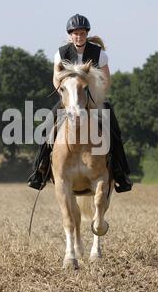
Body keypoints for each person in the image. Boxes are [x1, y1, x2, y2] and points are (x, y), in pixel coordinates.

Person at [27, 14, 132, 193]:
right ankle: (40, 170)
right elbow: (55, 78)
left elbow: (106, 81)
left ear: (86, 34)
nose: (79, 36)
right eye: (75, 33)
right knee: (46, 127)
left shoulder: (100, 54)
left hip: (93, 101)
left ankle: (120, 173)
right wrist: (64, 94)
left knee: (114, 129)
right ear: (70, 35)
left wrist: (95, 93)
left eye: (82, 33)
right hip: (68, 100)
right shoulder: (60, 54)